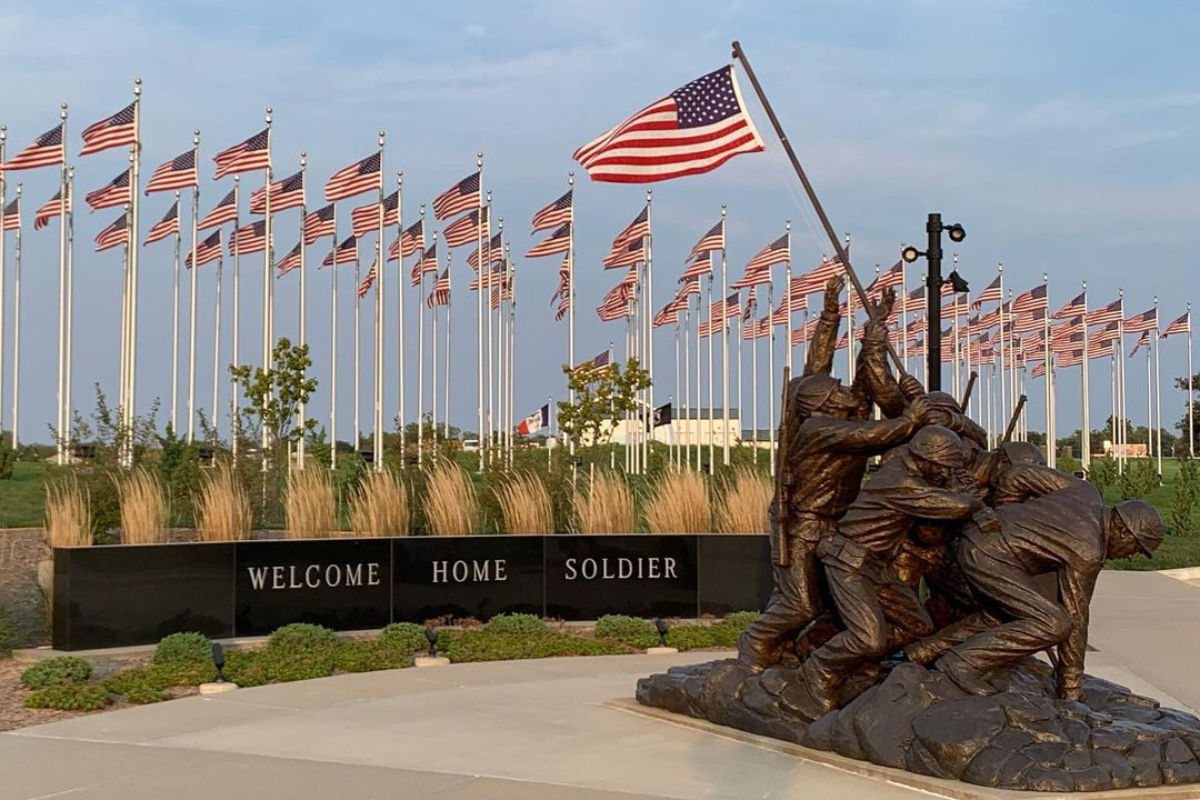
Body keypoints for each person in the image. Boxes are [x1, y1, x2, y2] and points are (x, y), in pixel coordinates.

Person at [736, 278, 929, 674]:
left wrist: (863, 326)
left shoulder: (836, 414)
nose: (847, 392)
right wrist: (913, 416)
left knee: (834, 602)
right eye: (837, 390)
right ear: (824, 403)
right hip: (804, 526)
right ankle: (755, 646)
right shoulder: (821, 430)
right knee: (800, 603)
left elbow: (843, 375)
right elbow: (880, 433)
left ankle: (803, 655)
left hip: (833, 526)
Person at [795, 426, 996, 715]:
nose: (945, 474)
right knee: (868, 638)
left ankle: (862, 665)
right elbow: (944, 505)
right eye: (942, 468)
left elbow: (938, 499)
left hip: (877, 566)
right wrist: (972, 498)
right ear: (926, 459)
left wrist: (959, 491)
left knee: (918, 626)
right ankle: (817, 672)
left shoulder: (910, 474)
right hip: (849, 562)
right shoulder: (899, 480)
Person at [927, 478, 1163, 701]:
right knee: (1053, 623)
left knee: (1005, 616)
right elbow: (1076, 618)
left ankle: (922, 652)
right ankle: (960, 663)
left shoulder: (1086, 491)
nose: (1132, 557)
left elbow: (1017, 476)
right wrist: (1070, 688)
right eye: (1136, 549)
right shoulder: (1088, 551)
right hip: (990, 555)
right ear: (1124, 532)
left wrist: (1002, 515)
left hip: (983, 541)